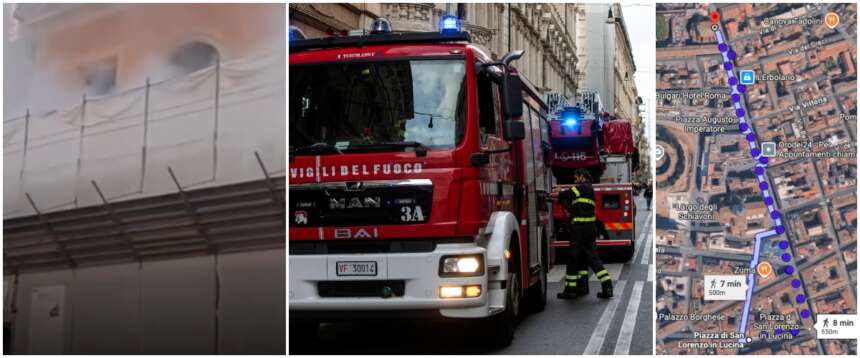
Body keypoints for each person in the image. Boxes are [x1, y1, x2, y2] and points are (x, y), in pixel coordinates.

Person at [555, 168, 614, 299]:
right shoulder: (588, 190)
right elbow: (574, 207)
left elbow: (567, 194)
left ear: (582, 177)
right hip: (589, 229)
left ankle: (570, 290)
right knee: (590, 258)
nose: (575, 181)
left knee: (572, 258)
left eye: (576, 178)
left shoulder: (581, 188)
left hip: (580, 230)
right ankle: (605, 286)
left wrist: (558, 194)